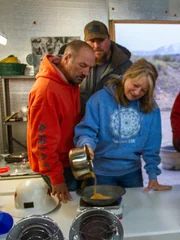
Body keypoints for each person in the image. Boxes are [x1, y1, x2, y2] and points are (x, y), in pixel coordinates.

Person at [74, 58, 172, 192]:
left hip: (132, 173)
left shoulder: (151, 108)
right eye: (135, 85)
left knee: (133, 211)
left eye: (143, 91)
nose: (137, 93)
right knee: (104, 211)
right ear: (127, 76)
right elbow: (87, 131)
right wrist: (86, 146)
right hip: (101, 173)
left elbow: (152, 145)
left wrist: (153, 176)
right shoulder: (99, 100)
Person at [27, 40, 95, 203]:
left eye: (90, 68)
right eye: (82, 65)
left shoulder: (70, 82)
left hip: (70, 161)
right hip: (57, 168)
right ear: (66, 58)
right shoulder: (46, 90)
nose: (86, 72)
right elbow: (42, 142)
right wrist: (56, 179)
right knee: (67, 214)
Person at [80, 20, 132, 116]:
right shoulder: (78, 64)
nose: (96, 45)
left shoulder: (126, 67)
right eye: (92, 41)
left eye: (100, 40)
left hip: (112, 125)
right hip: (83, 124)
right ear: (85, 42)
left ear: (109, 38)